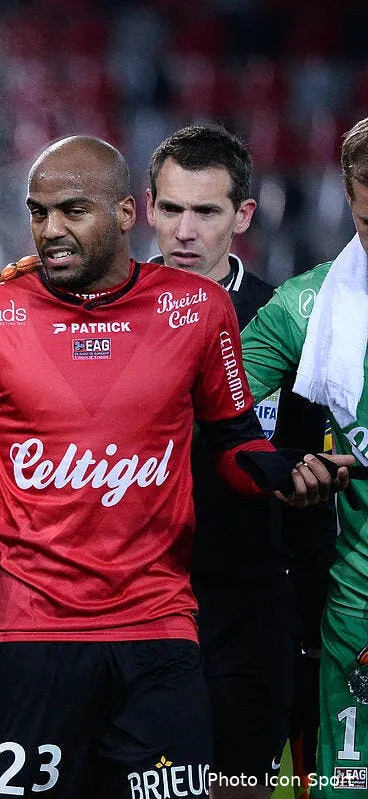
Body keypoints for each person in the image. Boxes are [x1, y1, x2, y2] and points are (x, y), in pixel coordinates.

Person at [0, 135, 352, 798]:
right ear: (149, 210)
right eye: (39, 213)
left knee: (236, 789)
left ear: (125, 213)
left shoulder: (222, 315)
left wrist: (284, 476)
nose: (50, 229)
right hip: (32, 638)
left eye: (71, 211)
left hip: (188, 631)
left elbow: (238, 446)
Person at [146, 124, 336, 798]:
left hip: (253, 613)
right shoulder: (103, 321)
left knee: (238, 790)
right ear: (148, 209)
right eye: (172, 209)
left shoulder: (286, 325)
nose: (186, 230)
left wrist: (315, 645)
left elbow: (315, 501)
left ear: (244, 216)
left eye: (207, 211)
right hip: (139, 610)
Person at [239, 115, 368, 798]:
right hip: (357, 608)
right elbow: (214, 413)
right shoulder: (303, 309)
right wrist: (279, 467)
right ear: (350, 196)